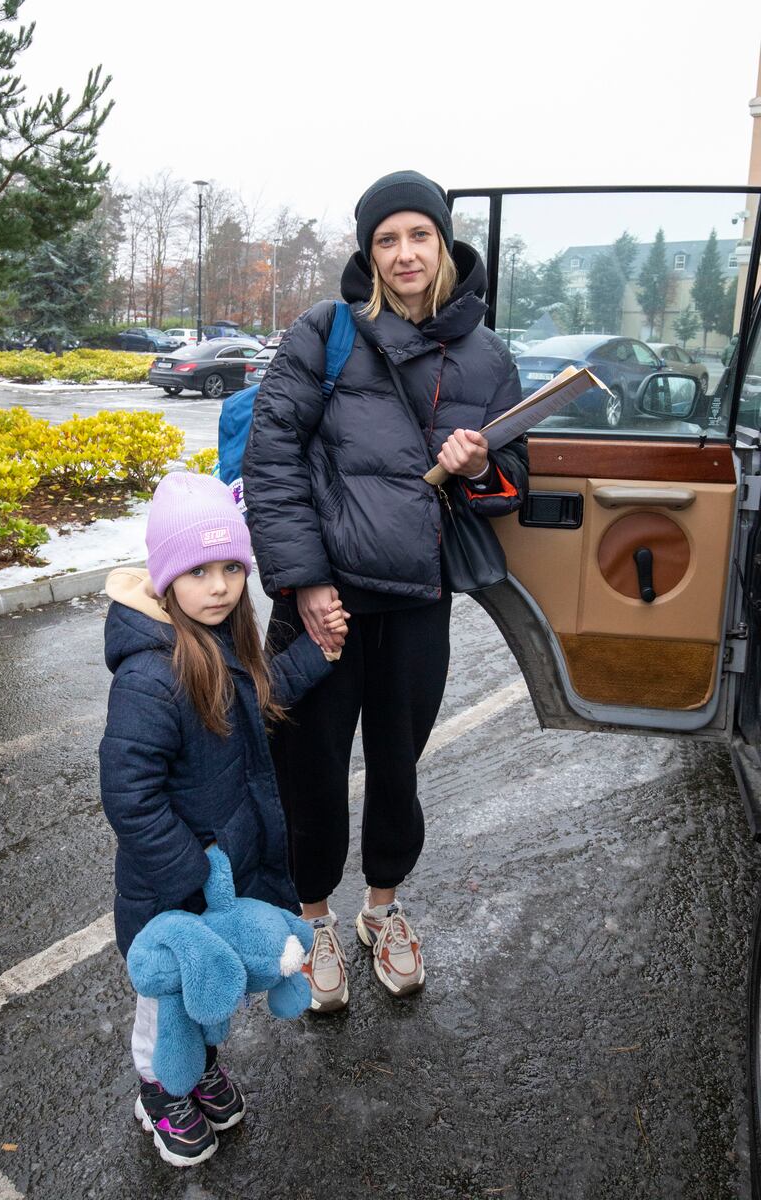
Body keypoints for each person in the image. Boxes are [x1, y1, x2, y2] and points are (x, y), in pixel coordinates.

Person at [243, 170, 529, 1013]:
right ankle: (313, 919)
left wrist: (481, 468)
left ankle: (381, 911)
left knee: (398, 769)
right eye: (386, 240)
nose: (404, 253)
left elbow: (513, 478)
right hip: (322, 606)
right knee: (310, 769)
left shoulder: (486, 354)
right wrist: (304, 585)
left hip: (415, 602)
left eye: (419, 236)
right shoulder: (325, 334)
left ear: (443, 244)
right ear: (368, 254)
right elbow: (273, 464)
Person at [98, 471, 347, 1167]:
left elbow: (260, 699)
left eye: (232, 568)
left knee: (210, 994)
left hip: (219, 885)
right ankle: (158, 1090)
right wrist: (191, 877)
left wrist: (318, 654)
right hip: (170, 895)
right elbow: (129, 794)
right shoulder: (150, 676)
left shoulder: (222, 644)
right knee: (167, 999)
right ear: (166, 576)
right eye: (199, 570)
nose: (220, 586)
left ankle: (198, 1067)